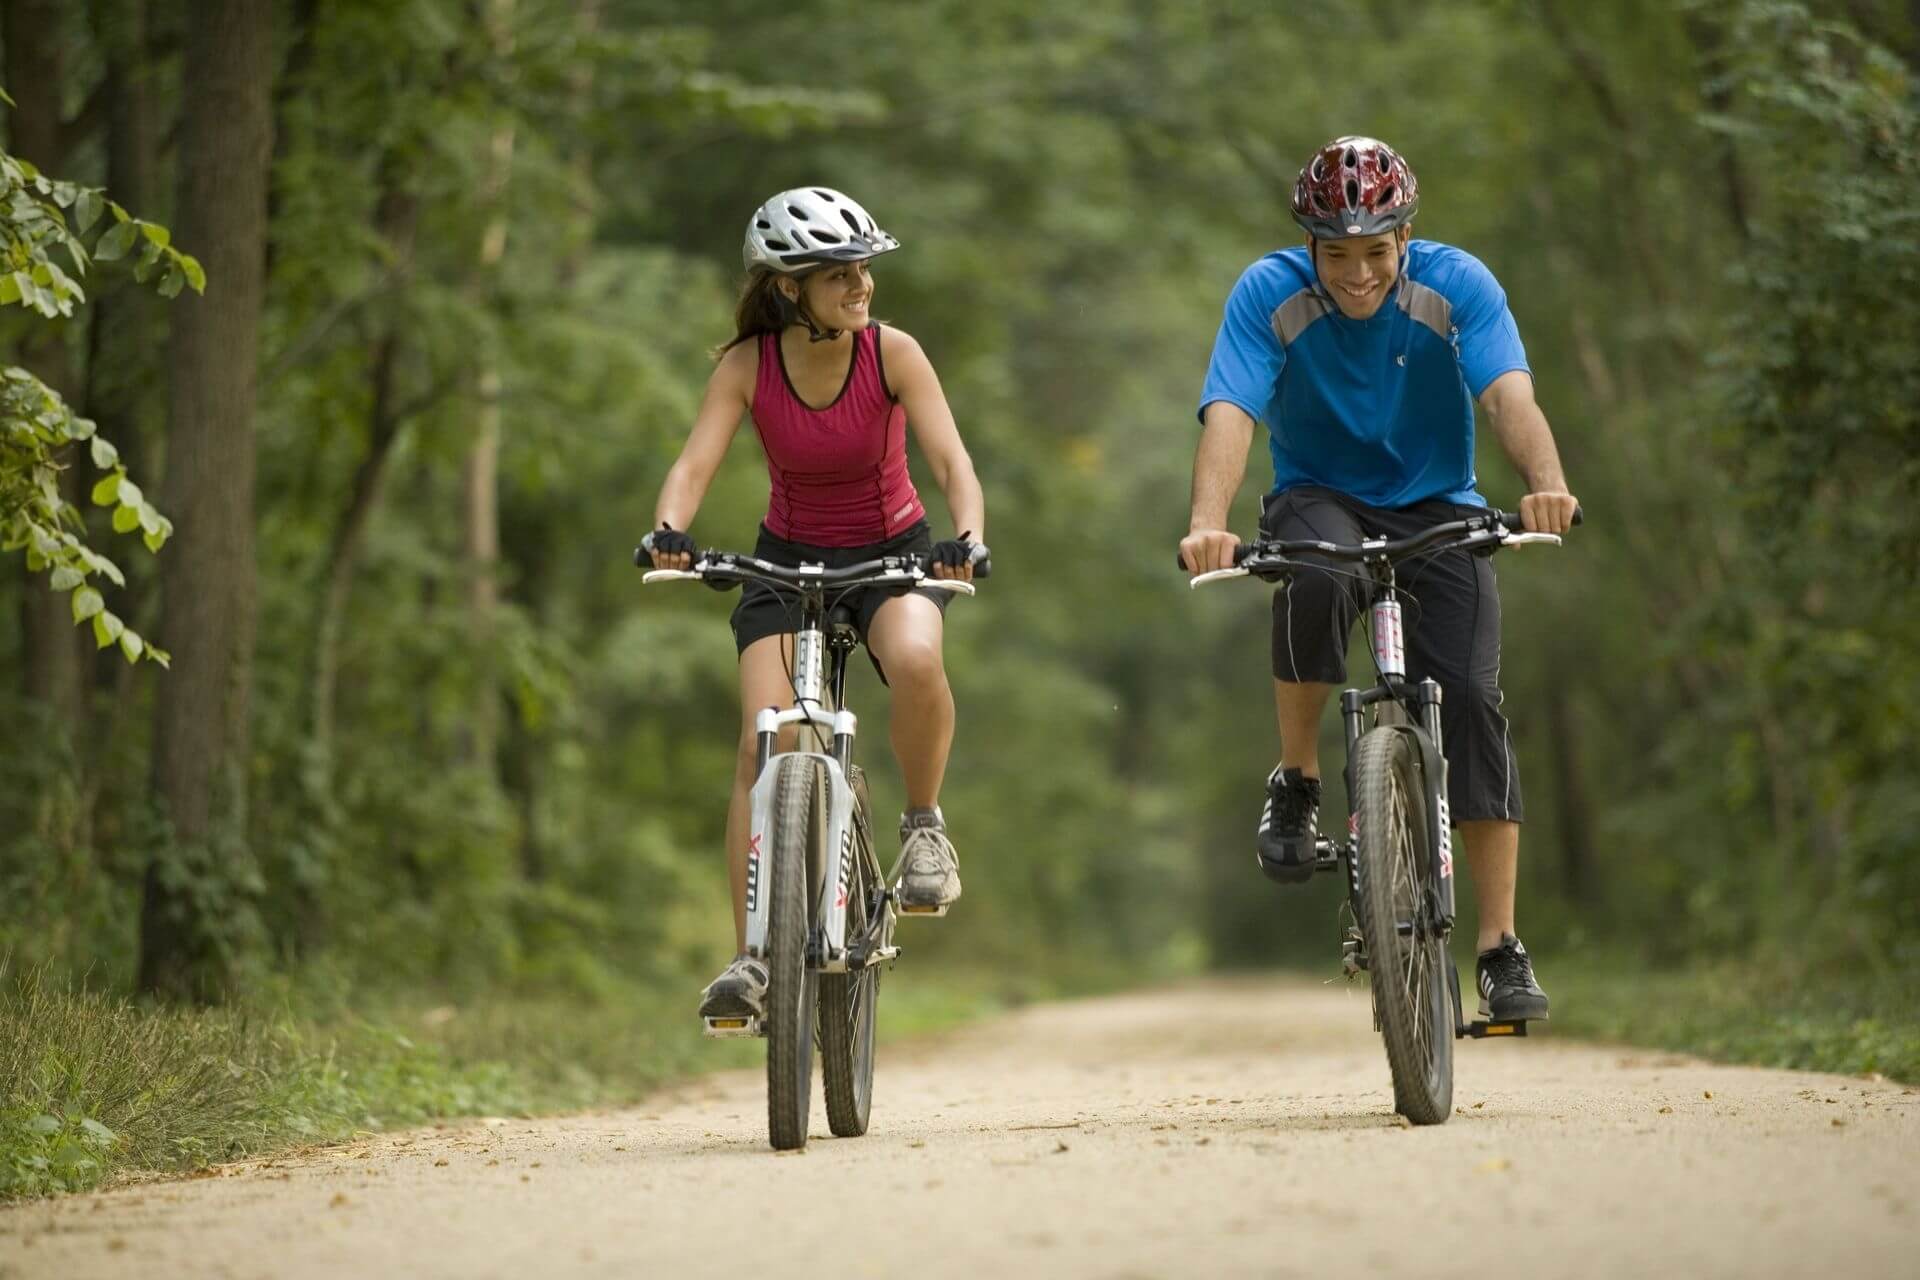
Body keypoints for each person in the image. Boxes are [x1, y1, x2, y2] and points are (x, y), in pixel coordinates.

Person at [1178, 137, 1577, 1022]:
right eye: (1338, 253)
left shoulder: (1458, 284)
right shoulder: (1268, 294)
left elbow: (1509, 395)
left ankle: (1501, 948)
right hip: (1320, 495)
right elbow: (1231, 413)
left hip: (1439, 502)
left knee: (1472, 700)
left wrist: (1544, 484)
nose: (1358, 274)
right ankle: (1298, 781)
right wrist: (1210, 523)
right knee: (1312, 578)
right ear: (1310, 246)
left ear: (1407, 238)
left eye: (1377, 251)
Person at [645, 186, 988, 1023]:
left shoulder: (893, 353)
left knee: (913, 659)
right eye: (837, 274)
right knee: (766, 742)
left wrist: (967, 536)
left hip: (892, 551)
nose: (860, 285)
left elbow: (952, 464)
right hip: (784, 562)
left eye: (863, 267)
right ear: (790, 287)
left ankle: (922, 824)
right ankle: (752, 963)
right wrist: (667, 530)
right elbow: (693, 467)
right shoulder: (748, 366)